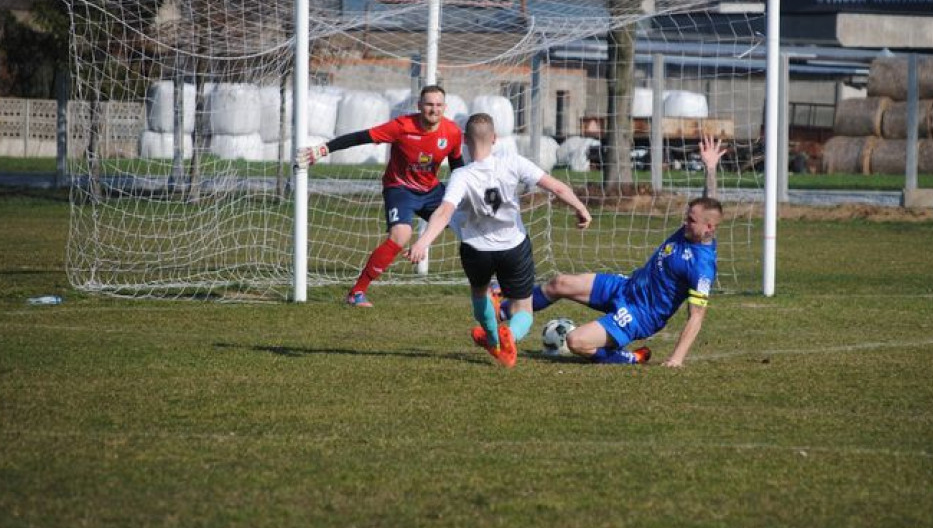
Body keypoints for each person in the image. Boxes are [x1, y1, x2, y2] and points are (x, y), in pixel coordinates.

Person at [512, 132, 726, 366]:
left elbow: (696, 316)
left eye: (691, 220)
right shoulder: (693, 230)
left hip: (639, 315)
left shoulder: (702, 266)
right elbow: (709, 207)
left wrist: (677, 358)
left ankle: (630, 357)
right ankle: (502, 310)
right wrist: (711, 169)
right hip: (627, 286)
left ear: (708, 228)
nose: (685, 222)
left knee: (576, 341)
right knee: (559, 283)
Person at [407, 112, 591, 367]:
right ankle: (511, 334)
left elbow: (444, 211)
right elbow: (556, 187)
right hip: (514, 246)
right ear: (494, 138)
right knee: (523, 309)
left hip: (476, 250)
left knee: (481, 293)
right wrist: (580, 207)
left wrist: (423, 242)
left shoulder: (462, 175)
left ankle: (493, 339)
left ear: (464, 141)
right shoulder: (513, 162)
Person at [296, 85, 464, 307]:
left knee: (470, 224)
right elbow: (362, 137)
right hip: (400, 188)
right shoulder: (402, 126)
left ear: (445, 107)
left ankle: (492, 282)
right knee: (400, 236)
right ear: (419, 106)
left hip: (431, 190)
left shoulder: (452, 132)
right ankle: (356, 293)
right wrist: (324, 149)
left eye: (439, 105)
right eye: (429, 104)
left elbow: (458, 167)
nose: (434, 110)